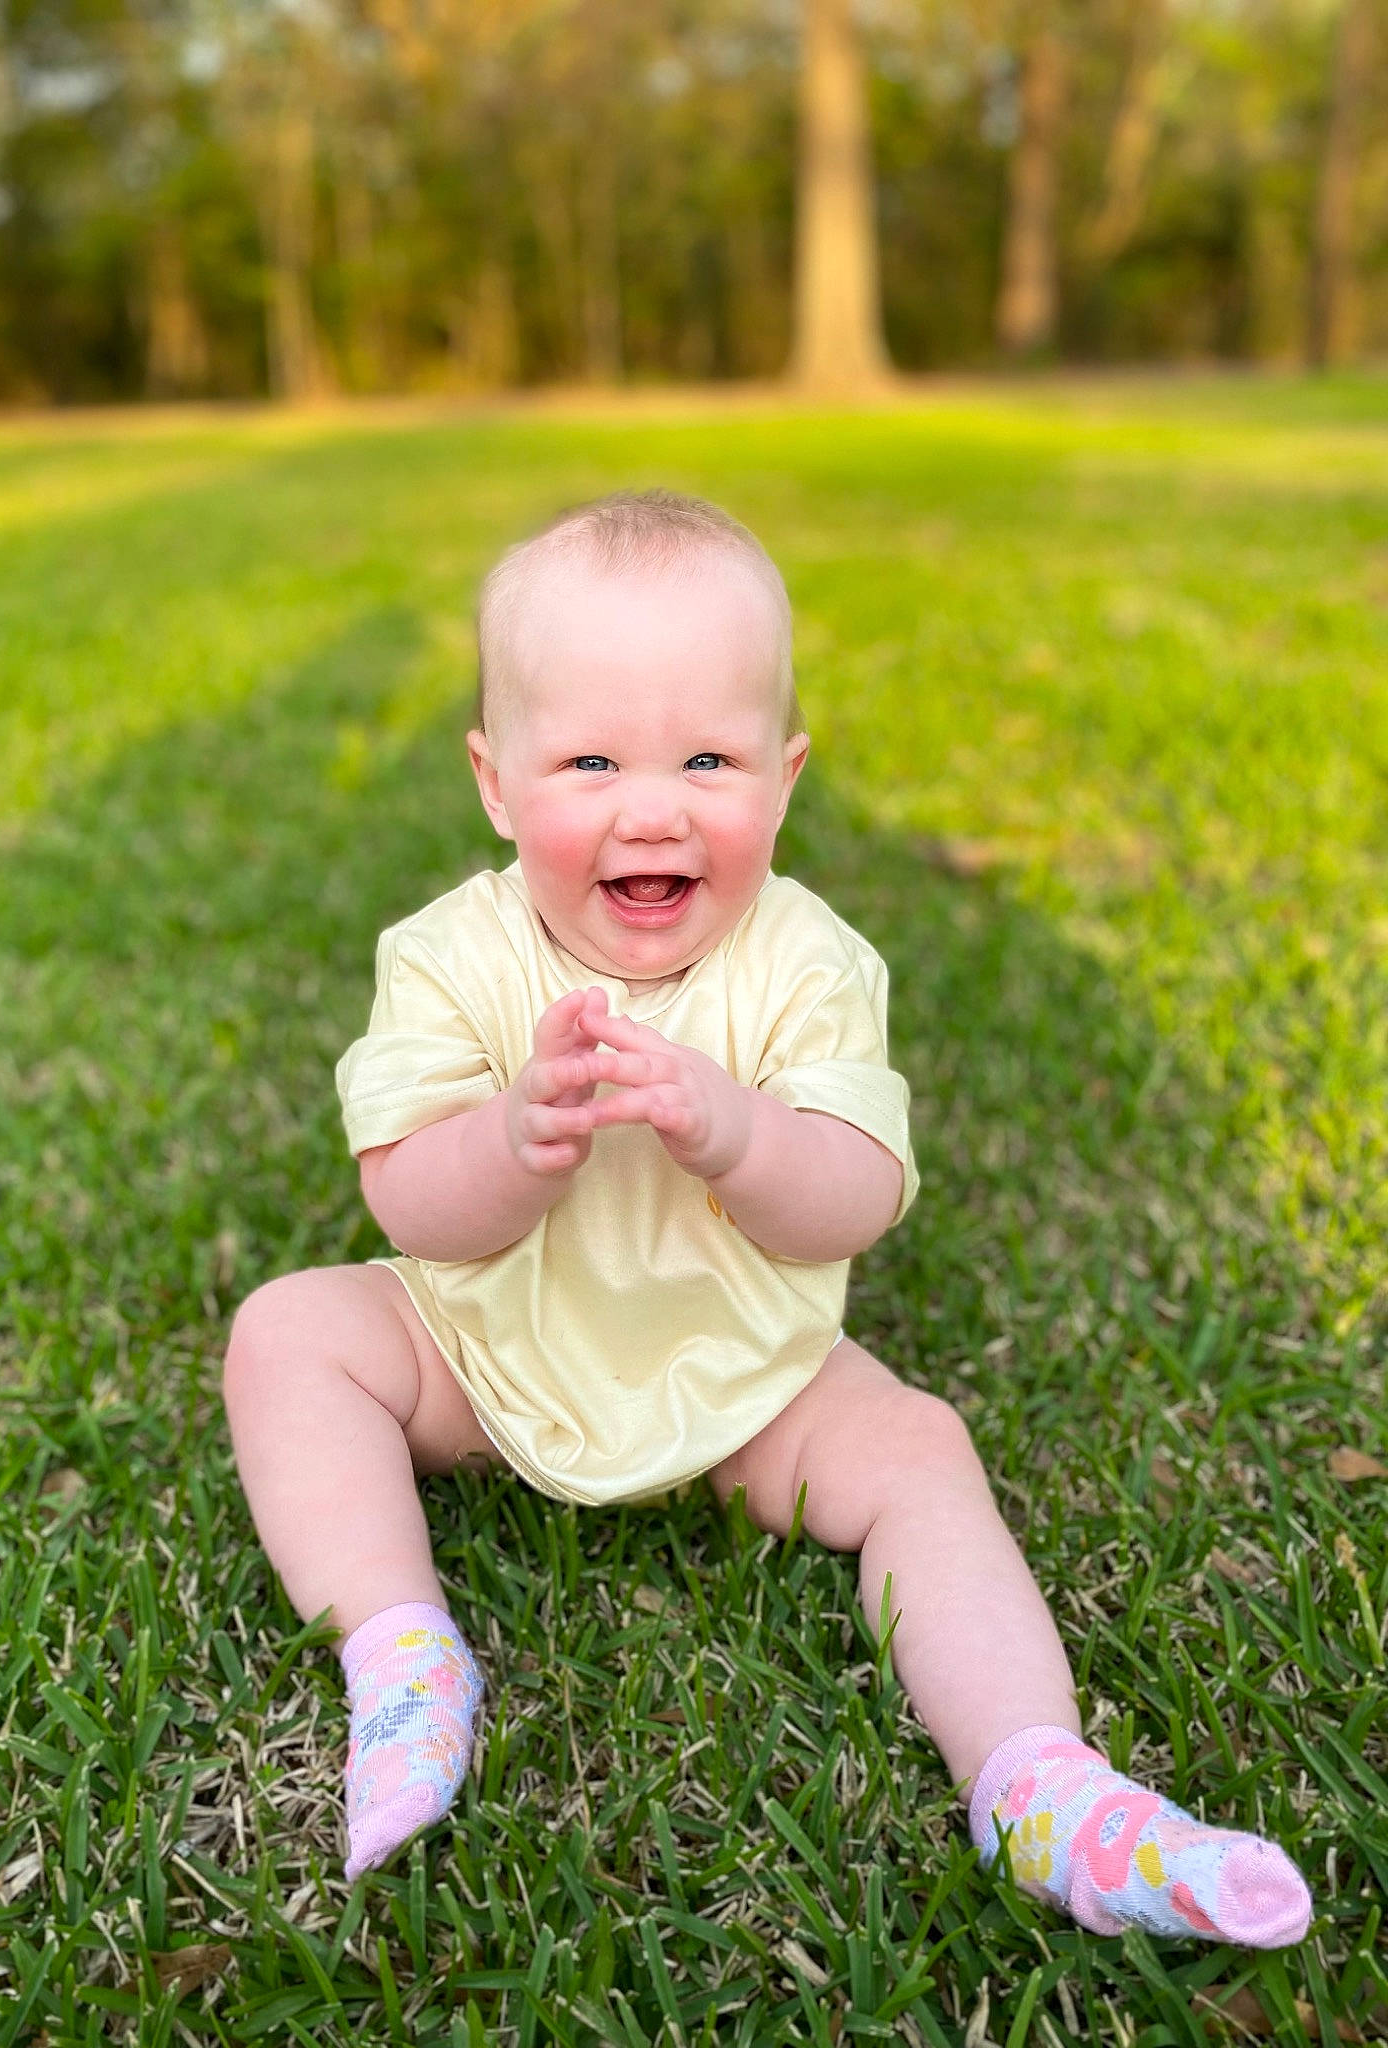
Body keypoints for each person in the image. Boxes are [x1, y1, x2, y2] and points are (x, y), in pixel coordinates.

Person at [223, 490, 1311, 1946]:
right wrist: (514, 1140)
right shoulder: (446, 955)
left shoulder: (809, 964)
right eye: (593, 758)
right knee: (289, 1333)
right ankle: (402, 1648)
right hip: (483, 1353)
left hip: (747, 1379)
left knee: (918, 1449)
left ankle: (1038, 1779)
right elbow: (414, 1202)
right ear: (496, 783)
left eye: (709, 758)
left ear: (784, 781)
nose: (654, 804)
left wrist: (738, 1130)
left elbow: (848, 1204)